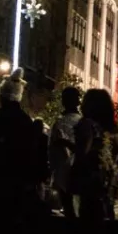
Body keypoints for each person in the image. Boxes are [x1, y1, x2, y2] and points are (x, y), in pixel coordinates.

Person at [0, 73, 45, 234]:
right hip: (18, 174)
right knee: (14, 208)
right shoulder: (25, 119)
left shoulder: (0, 117)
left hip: (0, 173)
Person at [69, 88, 118, 234]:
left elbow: (82, 151)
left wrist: (73, 168)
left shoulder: (87, 124)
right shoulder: (107, 128)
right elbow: (115, 152)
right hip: (102, 176)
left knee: (86, 216)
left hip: (88, 174)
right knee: (97, 217)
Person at [49, 86, 83, 223]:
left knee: (68, 205)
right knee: (78, 206)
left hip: (63, 170)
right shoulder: (83, 121)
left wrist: (53, 170)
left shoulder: (59, 123)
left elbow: (52, 150)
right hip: (80, 169)